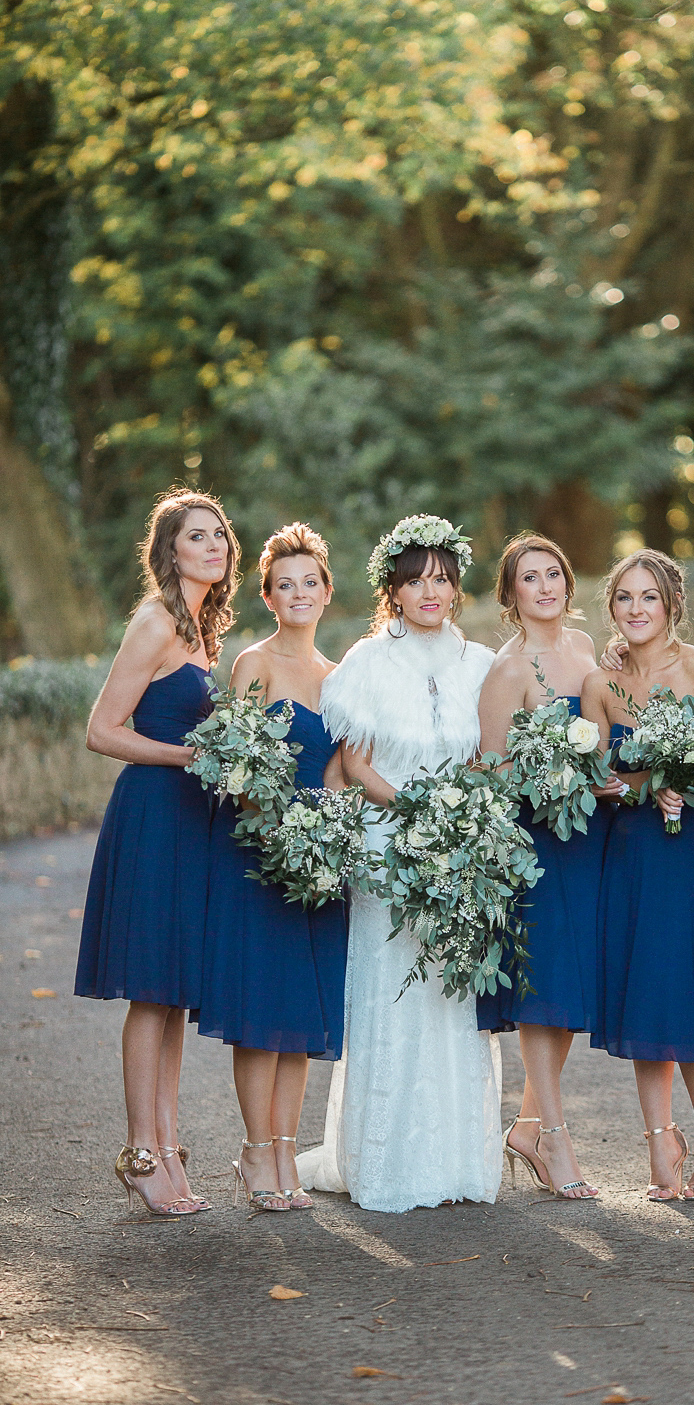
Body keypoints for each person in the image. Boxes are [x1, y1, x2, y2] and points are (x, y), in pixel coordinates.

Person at [296, 516, 502, 1212]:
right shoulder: (367, 663)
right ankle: (383, 1159)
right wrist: (418, 813)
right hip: (388, 843)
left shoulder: (479, 664)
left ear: (456, 586)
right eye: (415, 581)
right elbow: (354, 764)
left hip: (460, 842)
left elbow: (487, 754)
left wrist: (460, 818)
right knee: (392, 991)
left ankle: (457, 1162)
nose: (430, 592)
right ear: (394, 590)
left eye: (441, 579)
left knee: (453, 991)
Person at [75, 489, 239, 1215]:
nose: (213, 545)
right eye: (196, 536)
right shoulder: (152, 621)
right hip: (153, 818)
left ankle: (168, 1147)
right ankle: (142, 1154)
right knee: (151, 990)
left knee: (173, 992)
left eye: (219, 536)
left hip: (192, 822)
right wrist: (186, 758)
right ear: (169, 551)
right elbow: (102, 730)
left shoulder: (204, 629)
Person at [195, 524, 349, 1212]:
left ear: (325, 591)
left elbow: (342, 772)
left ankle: (287, 1151)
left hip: (321, 863)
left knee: (297, 1015)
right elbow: (236, 763)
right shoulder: (252, 664)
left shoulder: (339, 678)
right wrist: (282, 826)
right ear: (267, 596)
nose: (298, 593)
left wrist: (337, 837)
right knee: (261, 1011)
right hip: (261, 856)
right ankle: (256, 1152)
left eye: (309, 582)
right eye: (284, 584)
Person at [581, 550, 694, 1202]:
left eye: (648, 596)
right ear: (613, 608)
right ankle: (658, 1143)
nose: (637, 608)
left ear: (672, 603)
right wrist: (615, 786)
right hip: (635, 851)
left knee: (690, 995)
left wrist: (684, 782)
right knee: (647, 995)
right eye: (624, 597)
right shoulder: (602, 685)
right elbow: (587, 770)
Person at [476, 533, 619, 1199]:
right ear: (510, 595)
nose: (546, 586)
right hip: (536, 843)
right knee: (542, 992)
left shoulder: (585, 649)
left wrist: (603, 781)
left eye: (554, 573)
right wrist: (556, 783)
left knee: (570, 990)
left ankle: (529, 1127)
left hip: (587, 837)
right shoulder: (508, 671)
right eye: (529, 578)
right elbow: (493, 773)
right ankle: (555, 1139)